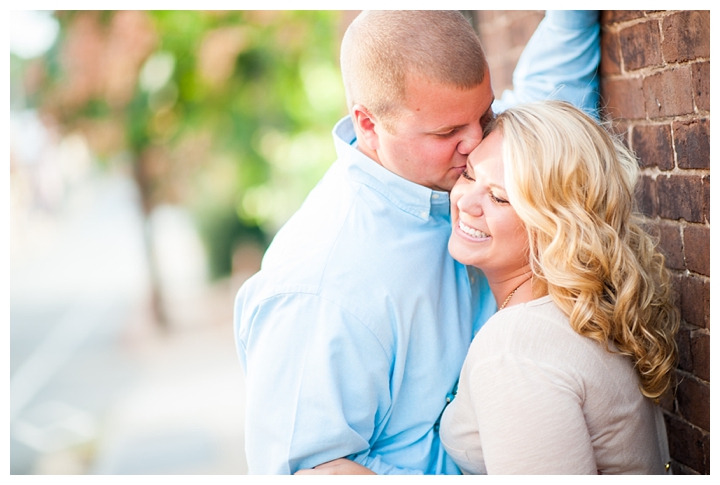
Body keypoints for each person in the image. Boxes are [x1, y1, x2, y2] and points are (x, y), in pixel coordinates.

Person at [235, 11, 601, 475]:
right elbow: (309, 471)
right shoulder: (319, 285)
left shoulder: (457, 158)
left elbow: (546, 99)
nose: (476, 142)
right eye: (448, 133)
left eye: (484, 114)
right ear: (368, 125)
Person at [438, 100, 679, 474]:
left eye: (499, 197)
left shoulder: (514, 350)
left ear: (557, 223)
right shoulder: (580, 307)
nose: (465, 201)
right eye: (469, 175)